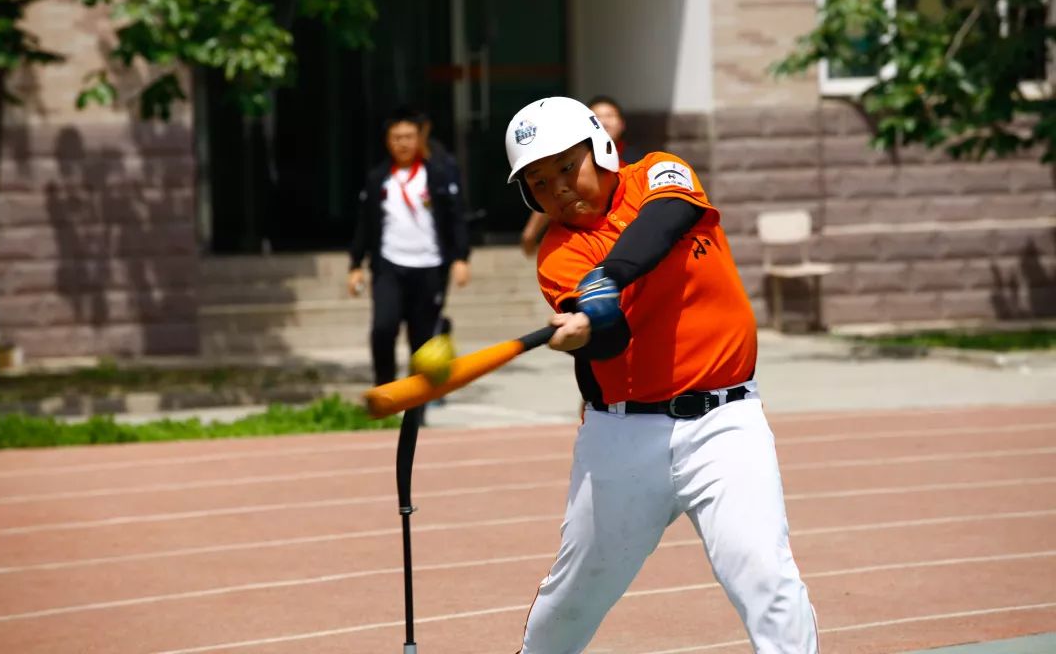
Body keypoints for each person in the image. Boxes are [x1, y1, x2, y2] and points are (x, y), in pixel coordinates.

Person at [504, 97, 819, 653]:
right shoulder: (557, 255)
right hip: (623, 437)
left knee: (765, 577)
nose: (558, 189)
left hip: (727, 422)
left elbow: (665, 220)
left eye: (564, 166)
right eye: (538, 182)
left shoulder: (658, 173)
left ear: (599, 147)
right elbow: (612, 336)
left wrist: (611, 275)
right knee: (573, 599)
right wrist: (587, 335)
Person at [347, 108, 471, 398]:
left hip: (430, 267)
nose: (403, 142)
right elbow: (364, 224)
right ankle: (386, 392)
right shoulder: (378, 179)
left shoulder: (438, 176)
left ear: (419, 139)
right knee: (383, 328)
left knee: (422, 341)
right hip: (389, 266)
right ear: (388, 141)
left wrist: (461, 258)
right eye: (397, 137)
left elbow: (456, 218)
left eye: (409, 136)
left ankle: (417, 403)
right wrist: (355, 264)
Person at [519, 95, 643, 256]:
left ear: (622, 123)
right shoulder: (561, 252)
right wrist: (531, 232)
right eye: (598, 117)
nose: (604, 122)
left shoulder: (641, 161)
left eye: (610, 116)